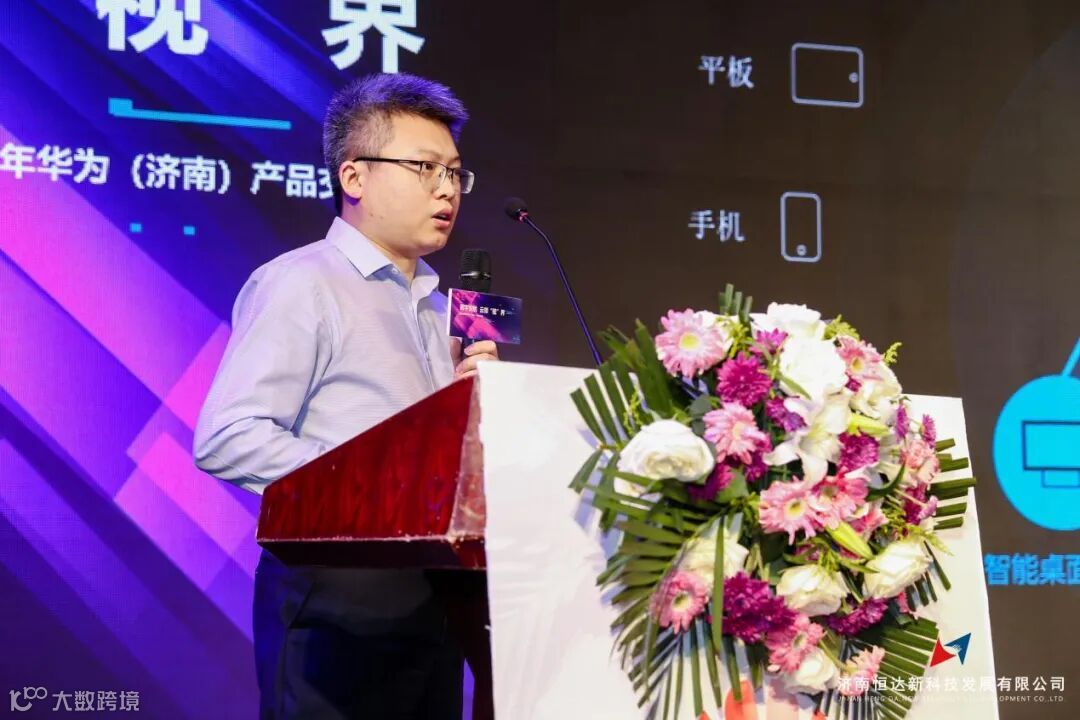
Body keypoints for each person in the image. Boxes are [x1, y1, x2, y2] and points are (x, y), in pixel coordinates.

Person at [193, 73, 497, 719]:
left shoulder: (439, 309)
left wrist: (477, 409)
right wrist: (369, 488)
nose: (446, 188)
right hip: (338, 600)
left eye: (454, 172)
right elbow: (229, 436)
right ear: (354, 176)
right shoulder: (303, 283)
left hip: (436, 600)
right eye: (424, 167)